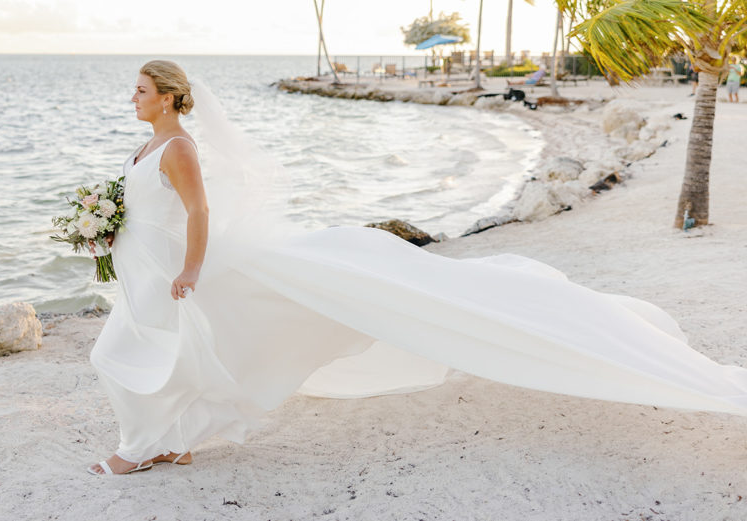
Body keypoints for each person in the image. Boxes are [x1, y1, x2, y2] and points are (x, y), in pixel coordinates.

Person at [86, 60, 747, 476]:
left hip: (176, 270)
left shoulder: (178, 146)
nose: (132, 97)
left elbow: (199, 210)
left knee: (119, 352)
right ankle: (169, 441)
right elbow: (149, 207)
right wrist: (102, 226)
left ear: (170, 98)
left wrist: (192, 268)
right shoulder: (147, 144)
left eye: (141, 90)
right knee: (167, 349)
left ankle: (139, 445)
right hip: (146, 270)